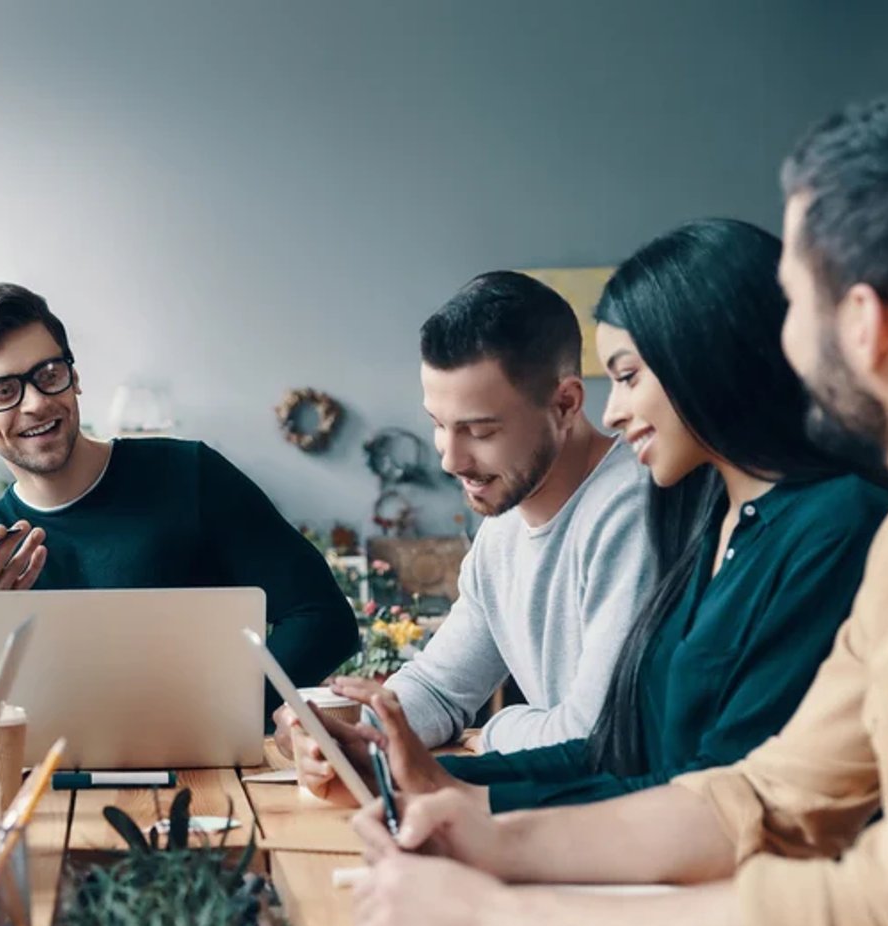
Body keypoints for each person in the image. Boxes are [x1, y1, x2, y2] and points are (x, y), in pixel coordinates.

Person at [341, 89, 888, 926]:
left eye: (795, 302)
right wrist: (498, 838)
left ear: (866, 325)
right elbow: (764, 795)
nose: (779, 339)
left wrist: (509, 922)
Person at [294, 220, 888, 812]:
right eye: (437, 426)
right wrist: (388, 757)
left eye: (628, 376)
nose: (450, 459)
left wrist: (479, 768)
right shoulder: (722, 523)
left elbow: (692, 786)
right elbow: (636, 756)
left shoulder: (787, 521)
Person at [0, 282, 358, 723]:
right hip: (48, 788)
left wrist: (225, 714)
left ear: (75, 376)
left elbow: (323, 617)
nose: (36, 403)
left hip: (207, 780)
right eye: (2, 391)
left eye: (49, 374)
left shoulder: (192, 476)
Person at [276, 271, 655, 767]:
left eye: (478, 430)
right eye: (438, 425)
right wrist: (350, 735)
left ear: (565, 405)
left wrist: (495, 731)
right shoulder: (501, 527)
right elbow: (438, 687)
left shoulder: (632, 510)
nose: (450, 460)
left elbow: (597, 738)